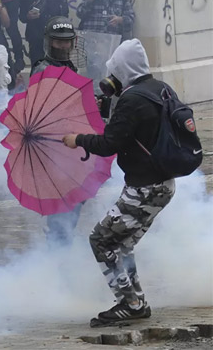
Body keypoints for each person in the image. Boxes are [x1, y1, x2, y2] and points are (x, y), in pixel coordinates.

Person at [62, 39, 175, 326]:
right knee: (121, 244)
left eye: (114, 71)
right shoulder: (159, 89)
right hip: (163, 184)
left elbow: (109, 143)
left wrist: (78, 140)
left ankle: (130, 303)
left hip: (144, 188)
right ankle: (136, 301)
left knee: (101, 240)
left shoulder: (132, 99)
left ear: (122, 69)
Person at [30, 16, 81, 247]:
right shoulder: (42, 69)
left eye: (67, 42)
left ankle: (62, 242)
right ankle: (57, 250)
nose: (63, 47)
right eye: (58, 42)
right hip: (52, 147)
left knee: (76, 198)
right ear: (49, 42)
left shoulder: (71, 67)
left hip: (71, 144)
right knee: (61, 201)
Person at [19, 0, 69, 67]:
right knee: (37, 67)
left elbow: (65, 13)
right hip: (35, 35)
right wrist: (28, 16)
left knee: (56, 67)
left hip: (55, 35)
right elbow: (22, 16)